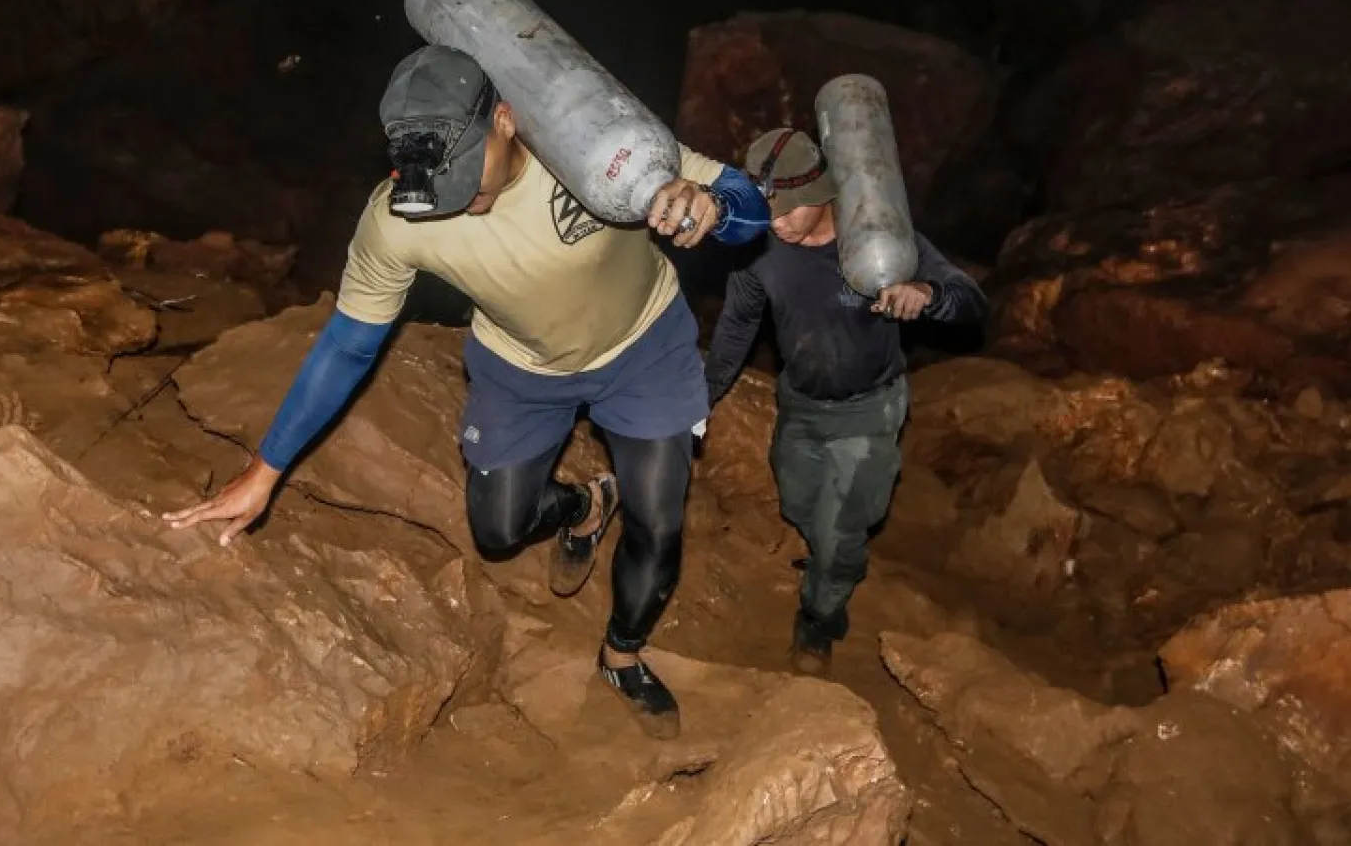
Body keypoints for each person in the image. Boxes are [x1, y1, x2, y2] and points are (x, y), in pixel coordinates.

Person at [163, 45, 770, 739]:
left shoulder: (596, 140)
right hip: (521, 364)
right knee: (498, 528)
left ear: (506, 119)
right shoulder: (400, 215)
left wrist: (713, 206)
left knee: (659, 523)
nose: (457, 199)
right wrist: (263, 471)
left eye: (466, 172)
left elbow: (754, 210)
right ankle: (584, 502)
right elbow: (349, 344)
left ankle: (620, 654)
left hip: (643, 346)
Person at [702, 127, 986, 676]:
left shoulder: (881, 239)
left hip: (868, 411)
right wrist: (703, 395)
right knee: (799, 506)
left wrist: (928, 296)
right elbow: (738, 325)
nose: (776, 221)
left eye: (786, 209)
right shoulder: (762, 247)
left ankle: (818, 619)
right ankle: (830, 557)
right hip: (801, 403)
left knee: (840, 535)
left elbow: (971, 301)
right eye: (766, 209)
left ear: (820, 194)